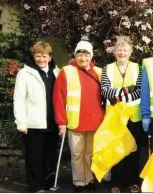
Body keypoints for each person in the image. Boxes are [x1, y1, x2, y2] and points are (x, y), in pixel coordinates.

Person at [53, 41, 105, 192]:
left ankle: (89, 179)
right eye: (80, 54)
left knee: (90, 154)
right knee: (77, 154)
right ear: (75, 55)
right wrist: (61, 122)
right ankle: (79, 182)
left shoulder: (99, 72)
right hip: (75, 121)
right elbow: (59, 98)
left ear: (91, 56)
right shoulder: (66, 71)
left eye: (86, 54)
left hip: (95, 121)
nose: (83, 58)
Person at [13, 41, 60, 193]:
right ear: (33, 56)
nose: (41, 59)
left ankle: (48, 183)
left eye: (44, 56)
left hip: (52, 122)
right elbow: (19, 99)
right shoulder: (24, 73)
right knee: (35, 157)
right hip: (33, 123)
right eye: (38, 56)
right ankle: (36, 186)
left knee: (50, 156)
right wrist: (21, 122)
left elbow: (61, 97)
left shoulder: (56, 72)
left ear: (50, 57)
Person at [100, 36, 142, 193]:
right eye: (119, 49)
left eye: (125, 49)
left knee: (133, 150)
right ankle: (116, 183)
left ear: (130, 52)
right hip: (115, 117)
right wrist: (126, 90)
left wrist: (117, 97)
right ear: (114, 52)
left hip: (133, 116)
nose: (122, 52)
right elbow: (105, 91)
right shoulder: (108, 69)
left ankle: (132, 182)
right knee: (116, 149)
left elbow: (139, 91)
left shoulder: (138, 68)